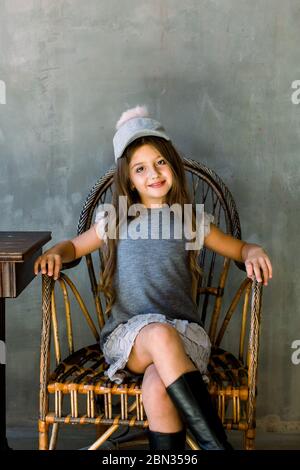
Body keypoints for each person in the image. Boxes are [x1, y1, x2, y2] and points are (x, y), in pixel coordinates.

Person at [34, 105, 273, 451]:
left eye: (161, 162)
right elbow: (73, 246)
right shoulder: (115, 218)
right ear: (129, 179)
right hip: (129, 339)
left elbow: (239, 249)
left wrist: (252, 253)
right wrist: (57, 253)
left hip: (184, 338)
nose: (154, 174)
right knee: (158, 334)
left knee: (157, 385)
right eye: (141, 168)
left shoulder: (190, 220)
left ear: (173, 165)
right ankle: (218, 448)